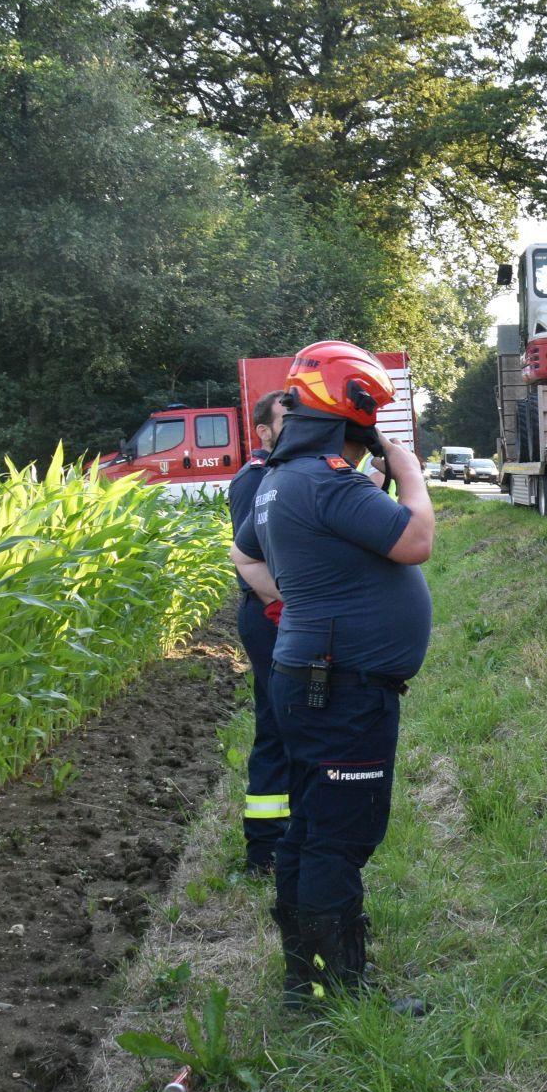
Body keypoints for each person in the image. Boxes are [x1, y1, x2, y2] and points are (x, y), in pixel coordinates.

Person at [231, 340, 435, 1006]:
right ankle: (337, 989)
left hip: (317, 675)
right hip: (343, 685)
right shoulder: (323, 479)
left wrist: (288, 597)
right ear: (354, 422)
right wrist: (408, 472)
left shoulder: (278, 480)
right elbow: (416, 538)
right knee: (338, 836)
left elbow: (245, 551)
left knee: (312, 828)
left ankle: (307, 980)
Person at [228, 391, 291, 877]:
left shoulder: (287, 473)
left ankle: (290, 833)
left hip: (286, 611)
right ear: (263, 432)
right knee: (275, 724)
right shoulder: (256, 481)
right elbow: (257, 557)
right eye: (287, 420)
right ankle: (264, 850)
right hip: (269, 610)